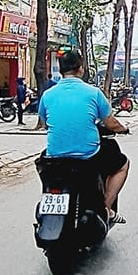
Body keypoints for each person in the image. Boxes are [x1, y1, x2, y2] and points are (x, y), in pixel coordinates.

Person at [37, 51, 130, 223]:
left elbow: (45, 122)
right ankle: (106, 208)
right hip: (87, 156)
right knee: (122, 164)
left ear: (61, 70)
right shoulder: (93, 93)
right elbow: (111, 123)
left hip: (54, 156)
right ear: (81, 69)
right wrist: (124, 129)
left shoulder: (47, 95)